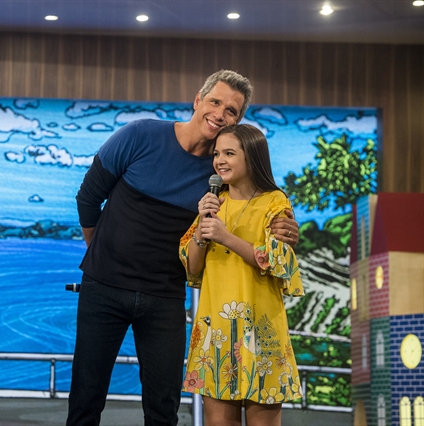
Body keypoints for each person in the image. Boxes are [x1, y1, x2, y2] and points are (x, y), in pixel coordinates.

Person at [69, 70, 299, 426]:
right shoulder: (140, 134)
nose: (221, 114)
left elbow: (257, 199)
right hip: (104, 288)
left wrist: (285, 224)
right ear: (197, 101)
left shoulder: (221, 174)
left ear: (239, 120)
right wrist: (98, 251)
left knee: (163, 409)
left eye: (232, 111)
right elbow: (88, 197)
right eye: (215, 102)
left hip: (164, 299)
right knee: (86, 400)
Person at [180, 124, 304, 426]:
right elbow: (192, 267)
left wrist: (226, 237)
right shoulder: (211, 204)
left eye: (229, 153)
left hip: (261, 333)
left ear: (252, 157)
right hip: (216, 333)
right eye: (217, 153)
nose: (219, 160)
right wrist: (202, 230)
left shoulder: (275, 202)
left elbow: (278, 263)